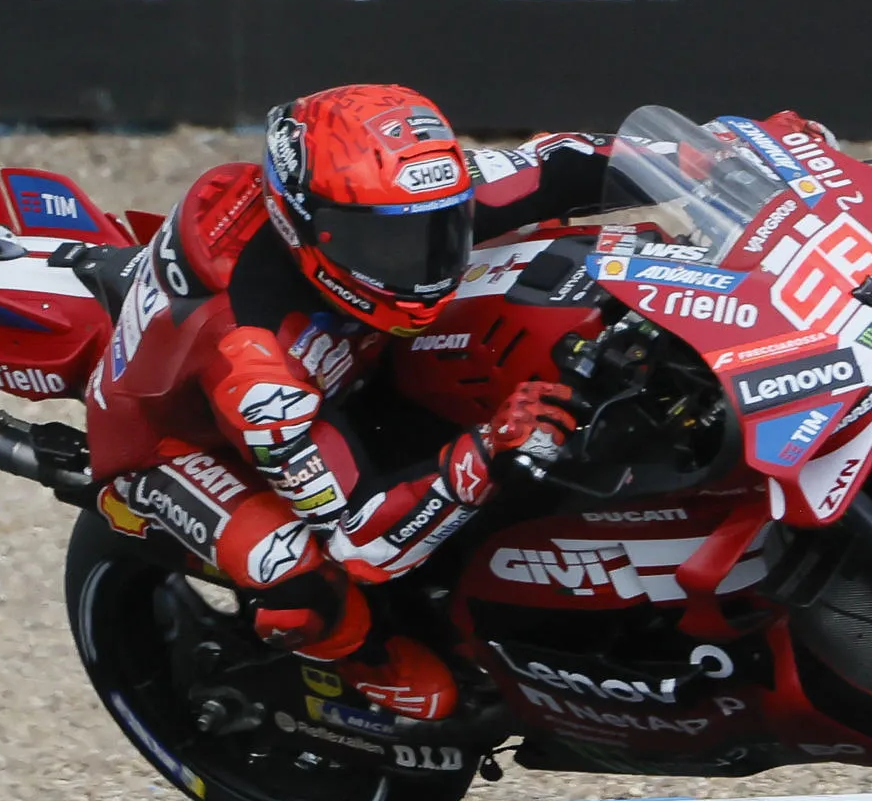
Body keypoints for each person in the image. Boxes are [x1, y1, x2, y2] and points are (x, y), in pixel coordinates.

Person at [84, 84, 613, 719]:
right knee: (301, 578)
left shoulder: (404, 197)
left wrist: (733, 151)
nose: (421, 263)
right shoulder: (255, 369)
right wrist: (487, 452)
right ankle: (361, 663)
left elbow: (568, 161)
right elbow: (360, 542)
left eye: (438, 229)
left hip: (347, 362)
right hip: (179, 441)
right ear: (305, 228)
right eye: (386, 247)